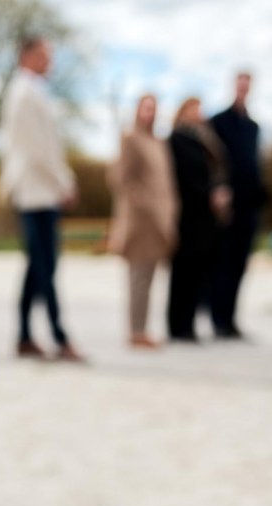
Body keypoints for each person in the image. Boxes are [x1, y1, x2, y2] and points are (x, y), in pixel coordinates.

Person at [0, 35, 85, 362]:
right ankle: (60, 338)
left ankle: (23, 337)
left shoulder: (32, 92)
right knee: (46, 266)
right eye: (45, 55)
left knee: (37, 266)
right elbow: (38, 150)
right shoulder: (23, 94)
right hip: (36, 193)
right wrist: (64, 182)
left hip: (42, 191)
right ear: (28, 56)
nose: (50, 61)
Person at [107, 94, 179, 349]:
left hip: (159, 220)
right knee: (138, 277)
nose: (150, 113)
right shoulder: (130, 139)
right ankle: (136, 331)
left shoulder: (158, 143)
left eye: (153, 108)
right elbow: (120, 179)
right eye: (146, 108)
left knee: (149, 277)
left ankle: (142, 328)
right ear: (137, 110)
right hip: (140, 221)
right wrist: (143, 204)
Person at [166, 97, 231, 343]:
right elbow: (185, 176)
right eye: (194, 108)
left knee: (197, 272)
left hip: (205, 215)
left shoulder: (206, 138)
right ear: (183, 111)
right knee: (183, 270)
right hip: (188, 212)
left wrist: (221, 190)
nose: (199, 113)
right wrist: (209, 193)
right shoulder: (178, 139)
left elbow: (217, 169)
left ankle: (189, 323)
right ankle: (178, 325)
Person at [210, 71, 268, 340]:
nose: (243, 89)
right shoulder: (219, 122)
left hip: (248, 206)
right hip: (228, 206)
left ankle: (231, 319)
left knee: (240, 265)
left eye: (248, 85)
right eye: (240, 84)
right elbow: (212, 161)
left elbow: (253, 164)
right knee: (223, 262)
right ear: (234, 86)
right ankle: (218, 319)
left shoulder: (253, 127)